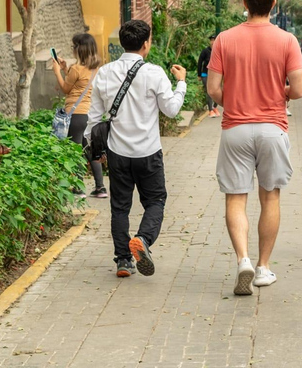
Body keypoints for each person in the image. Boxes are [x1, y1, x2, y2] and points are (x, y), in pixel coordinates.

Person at [207, 0, 302, 296]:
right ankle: (263, 267)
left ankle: (243, 261)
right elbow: (300, 90)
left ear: (244, 3)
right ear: (273, 4)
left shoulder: (224, 39)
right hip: (272, 129)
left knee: (236, 198)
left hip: (235, 129)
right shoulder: (287, 40)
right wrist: (280, 94)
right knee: (270, 197)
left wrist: (236, 99)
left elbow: (213, 89)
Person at [85, 20, 187, 278]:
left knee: (120, 207)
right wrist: (182, 83)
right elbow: (172, 110)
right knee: (155, 200)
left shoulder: (105, 73)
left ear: (122, 43)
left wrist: (95, 152)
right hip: (149, 153)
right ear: (146, 44)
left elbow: (94, 119)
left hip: (118, 153)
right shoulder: (154, 73)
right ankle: (142, 239)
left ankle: (123, 260)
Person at [52, 33, 105, 198]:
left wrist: (57, 72)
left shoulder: (76, 69)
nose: (72, 50)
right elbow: (81, 84)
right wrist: (65, 69)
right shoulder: (97, 68)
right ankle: (100, 188)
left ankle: (78, 188)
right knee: (89, 150)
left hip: (75, 114)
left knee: (74, 151)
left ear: (79, 49)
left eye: (73, 47)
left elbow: (67, 89)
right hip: (89, 115)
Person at [197, 34, 220, 117]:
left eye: (214, 40)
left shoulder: (219, 51)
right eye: (211, 40)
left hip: (216, 75)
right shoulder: (205, 51)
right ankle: (210, 111)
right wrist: (199, 74)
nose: (213, 42)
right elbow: (200, 62)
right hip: (205, 74)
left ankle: (214, 107)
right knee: (209, 92)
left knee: (218, 91)